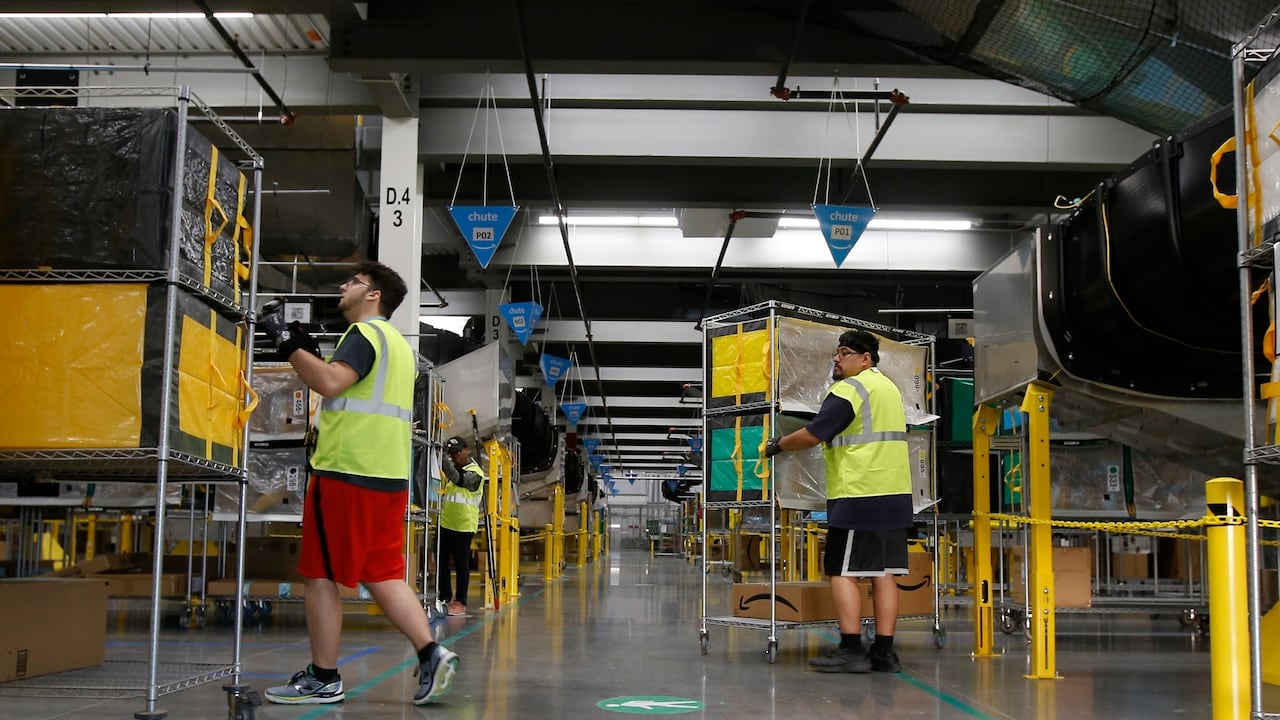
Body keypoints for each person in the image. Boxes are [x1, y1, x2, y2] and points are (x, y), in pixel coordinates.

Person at [257, 261, 459, 705]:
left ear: (373, 295)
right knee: (383, 572)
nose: (343, 286)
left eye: (353, 282)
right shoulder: (397, 347)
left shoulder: (365, 335)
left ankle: (324, 676)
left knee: (321, 574)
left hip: (346, 473)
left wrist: (285, 342)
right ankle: (430, 652)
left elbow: (331, 383)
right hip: (386, 475)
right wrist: (306, 352)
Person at [765, 329, 912, 674]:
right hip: (894, 494)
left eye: (844, 353)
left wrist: (779, 444)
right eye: (837, 352)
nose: (836, 358)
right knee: (883, 573)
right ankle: (884, 652)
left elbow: (815, 433)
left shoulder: (850, 389)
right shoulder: (889, 388)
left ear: (866, 359)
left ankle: (850, 648)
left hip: (859, 494)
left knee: (842, 572)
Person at [437, 435, 486, 616]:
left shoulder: (476, 473)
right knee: (441, 563)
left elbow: (459, 479)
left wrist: (441, 455)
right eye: (451, 453)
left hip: (464, 526)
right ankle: (444, 597)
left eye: (457, 452)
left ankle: (460, 601)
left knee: (461, 565)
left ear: (467, 450)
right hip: (445, 523)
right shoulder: (449, 472)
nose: (455, 456)